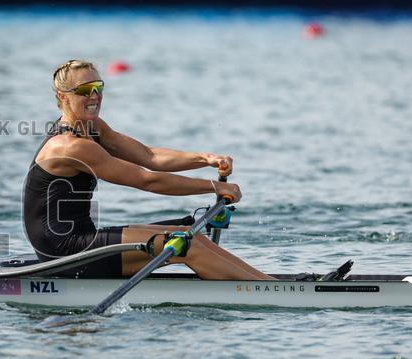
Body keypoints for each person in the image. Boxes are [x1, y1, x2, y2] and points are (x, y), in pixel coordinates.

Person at [23, 59, 274, 281]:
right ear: (62, 97)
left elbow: (149, 156)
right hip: (64, 250)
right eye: (84, 90)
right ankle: (270, 291)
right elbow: (148, 181)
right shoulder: (70, 146)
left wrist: (205, 158)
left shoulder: (93, 127)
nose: (95, 96)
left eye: (98, 87)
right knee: (188, 246)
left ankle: (268, 283)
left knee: (191, 236)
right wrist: (213, 187)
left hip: (82, 236)